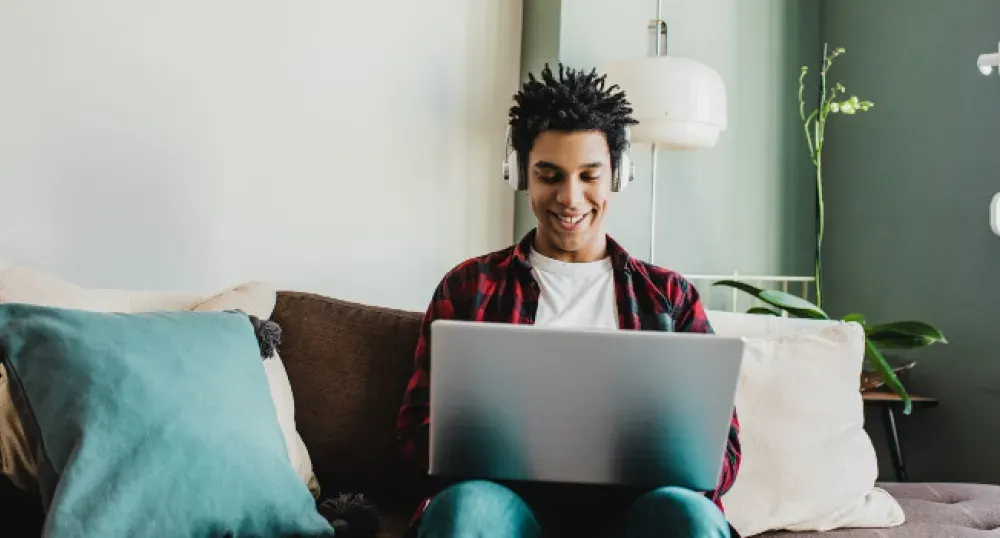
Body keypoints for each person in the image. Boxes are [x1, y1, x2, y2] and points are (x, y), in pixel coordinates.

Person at [396, 63, 741, 538]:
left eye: (588, 175)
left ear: (618, 175)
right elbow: (414, 439)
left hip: (636, 513)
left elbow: (723, 458)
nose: (570, 197)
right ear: (520, 174)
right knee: (466, 511)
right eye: (550, 175)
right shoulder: (468, 287)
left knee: (693, 517)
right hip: (507, 508)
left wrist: (665, 455)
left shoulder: (670, 297)